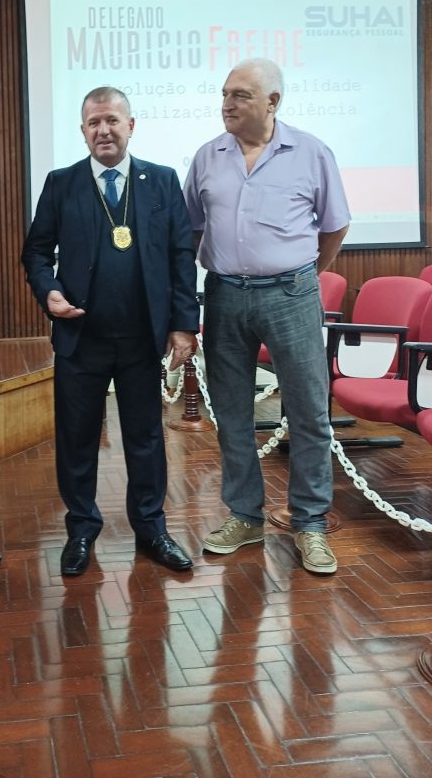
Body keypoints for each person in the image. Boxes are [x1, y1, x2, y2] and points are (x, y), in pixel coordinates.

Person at [22, 86, 199, 577]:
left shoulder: (161, 180)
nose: (103, 130)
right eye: (94, 123)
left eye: (112, 121)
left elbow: (181, 255)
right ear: (83, 131)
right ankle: (81, 527)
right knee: (77, 439)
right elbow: (36, 251)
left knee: (145, 438)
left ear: (130, 126)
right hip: (81, 337)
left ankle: (151, 528)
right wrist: (48, 291)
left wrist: (184, 324)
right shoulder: (62, 183)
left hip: (143, 337)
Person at [183, 58, 350, 575]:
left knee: (308, 412)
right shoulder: (207, 157)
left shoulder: (311, 152)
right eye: (224, 94)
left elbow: (335, 226)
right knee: (231, 412)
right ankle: (244, 517)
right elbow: (190, 229)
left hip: (291, 295)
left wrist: (302, 273)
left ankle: (311, 524)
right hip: (224, 296)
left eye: (240, 95)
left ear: (272, 102)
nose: (226, 104)